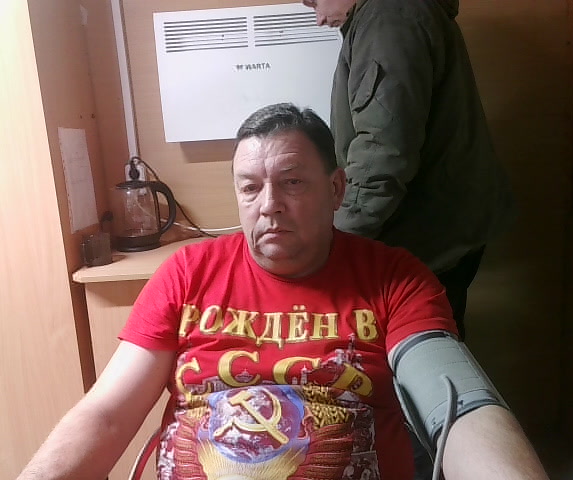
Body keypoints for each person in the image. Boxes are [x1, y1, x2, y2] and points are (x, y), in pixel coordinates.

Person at [17, 104, 546, 480]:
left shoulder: (395, 278)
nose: (268, 204)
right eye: (250, 187)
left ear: (336, 188)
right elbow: (107, 414)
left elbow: (460, 406)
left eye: (292, 182)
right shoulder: (187, 273)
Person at [303, 0, 516, 342]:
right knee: (431, 341)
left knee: (420, 349)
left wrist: (337, 245)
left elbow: (382, 151)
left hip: (425, 234)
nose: (313, 11)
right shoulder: (395, 13)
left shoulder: (388, 17)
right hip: (440, 226)